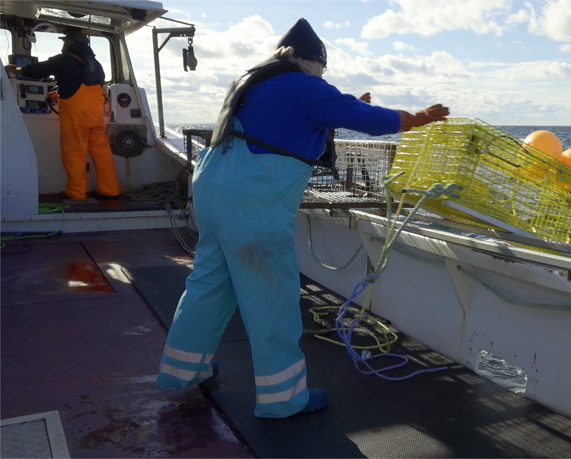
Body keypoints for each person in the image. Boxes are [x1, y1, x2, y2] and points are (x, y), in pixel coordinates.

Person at [154, 18, 449, 419]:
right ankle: (282, 398)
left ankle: (181, 371)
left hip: (212, 186)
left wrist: (346, 106)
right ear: (312, 62)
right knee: (270, 294)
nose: (321, 76)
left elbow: (293, 119)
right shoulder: (304, 84)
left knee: (209, 281)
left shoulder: (252, 79)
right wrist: (414, 117)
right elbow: (367, 119)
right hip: (252, 197)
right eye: (322, 70)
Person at [4, 29, 120, 201]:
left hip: (76, 115)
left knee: (74, 151)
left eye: (65, 41)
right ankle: (110, 190)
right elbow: (81, 83)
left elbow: (39, 70)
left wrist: (17, 70)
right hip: (96, 115)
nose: (63, 44)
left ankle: (76, 192)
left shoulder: (64, 60)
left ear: (72, 43)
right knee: (101, 152)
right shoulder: (96, 64)